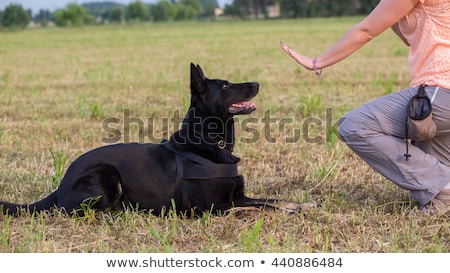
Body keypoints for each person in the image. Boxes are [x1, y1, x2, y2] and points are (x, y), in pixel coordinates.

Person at [280, 0, 450, 215]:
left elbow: (367, 30)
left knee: (355, 125)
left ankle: (443, 183)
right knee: (431, 150)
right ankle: (442, 195)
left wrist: (317, 62)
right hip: (441, 91)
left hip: (441, 88)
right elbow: (407, 36)